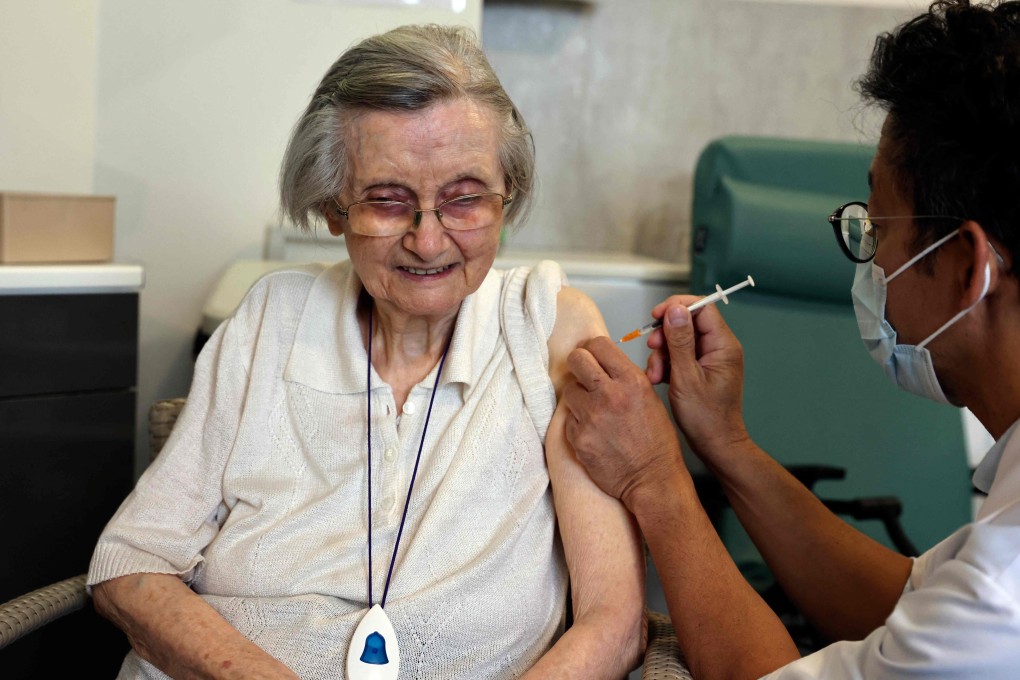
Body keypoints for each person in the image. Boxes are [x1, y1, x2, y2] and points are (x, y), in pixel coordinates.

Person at [86, 24, 645, 679]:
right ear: (332, 206)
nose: (429, 240)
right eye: (387, 201)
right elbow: (129, 562)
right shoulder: (273, 318)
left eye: (464, 199)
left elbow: (615, 622)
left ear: (507, 197)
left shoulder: (549, 327)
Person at [561, 1, 1020, 679]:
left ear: (965, 268)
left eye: (879, 227)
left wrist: (653, 480)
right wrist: (726, 444)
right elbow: (906, 606)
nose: (871, 260)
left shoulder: (1001, 593)